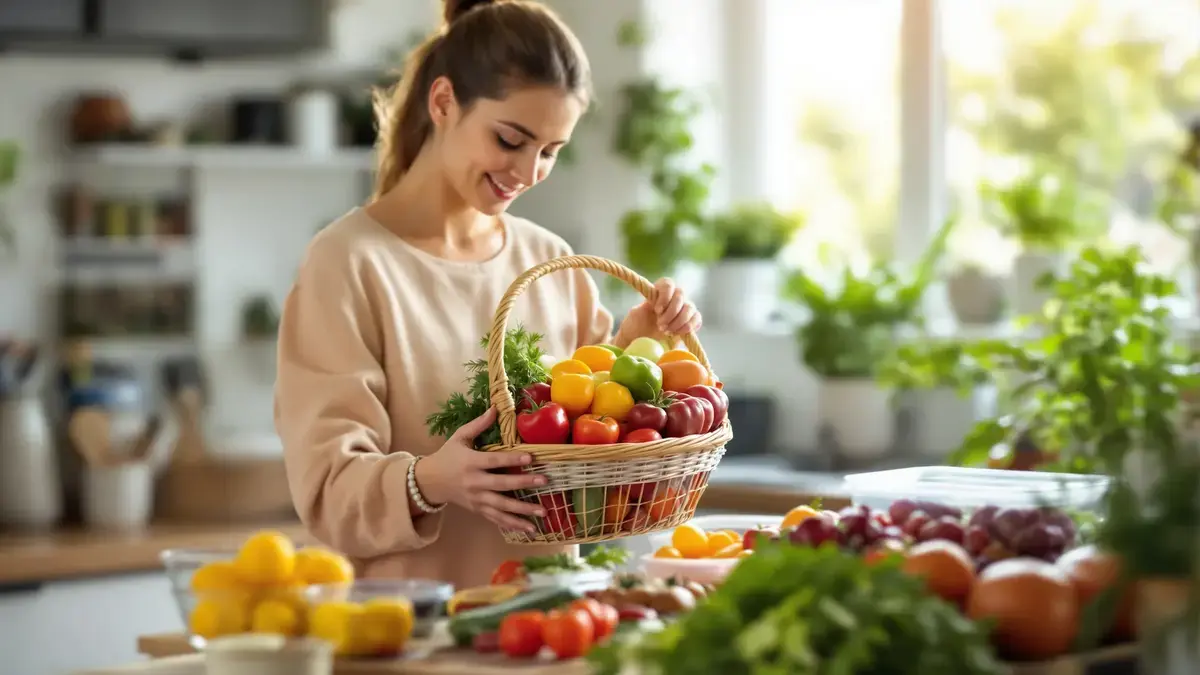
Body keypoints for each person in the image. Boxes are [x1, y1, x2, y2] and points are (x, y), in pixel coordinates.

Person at [274, 0, 704, 589]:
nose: (528, 172)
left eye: (551, 151)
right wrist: (430, 481)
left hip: (551, 620)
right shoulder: (347, 263)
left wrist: (638, 347)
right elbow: (327, 489)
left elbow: (593, 453)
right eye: (511, 139)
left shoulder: (550, 260)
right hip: (413, 631)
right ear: (444, 102)